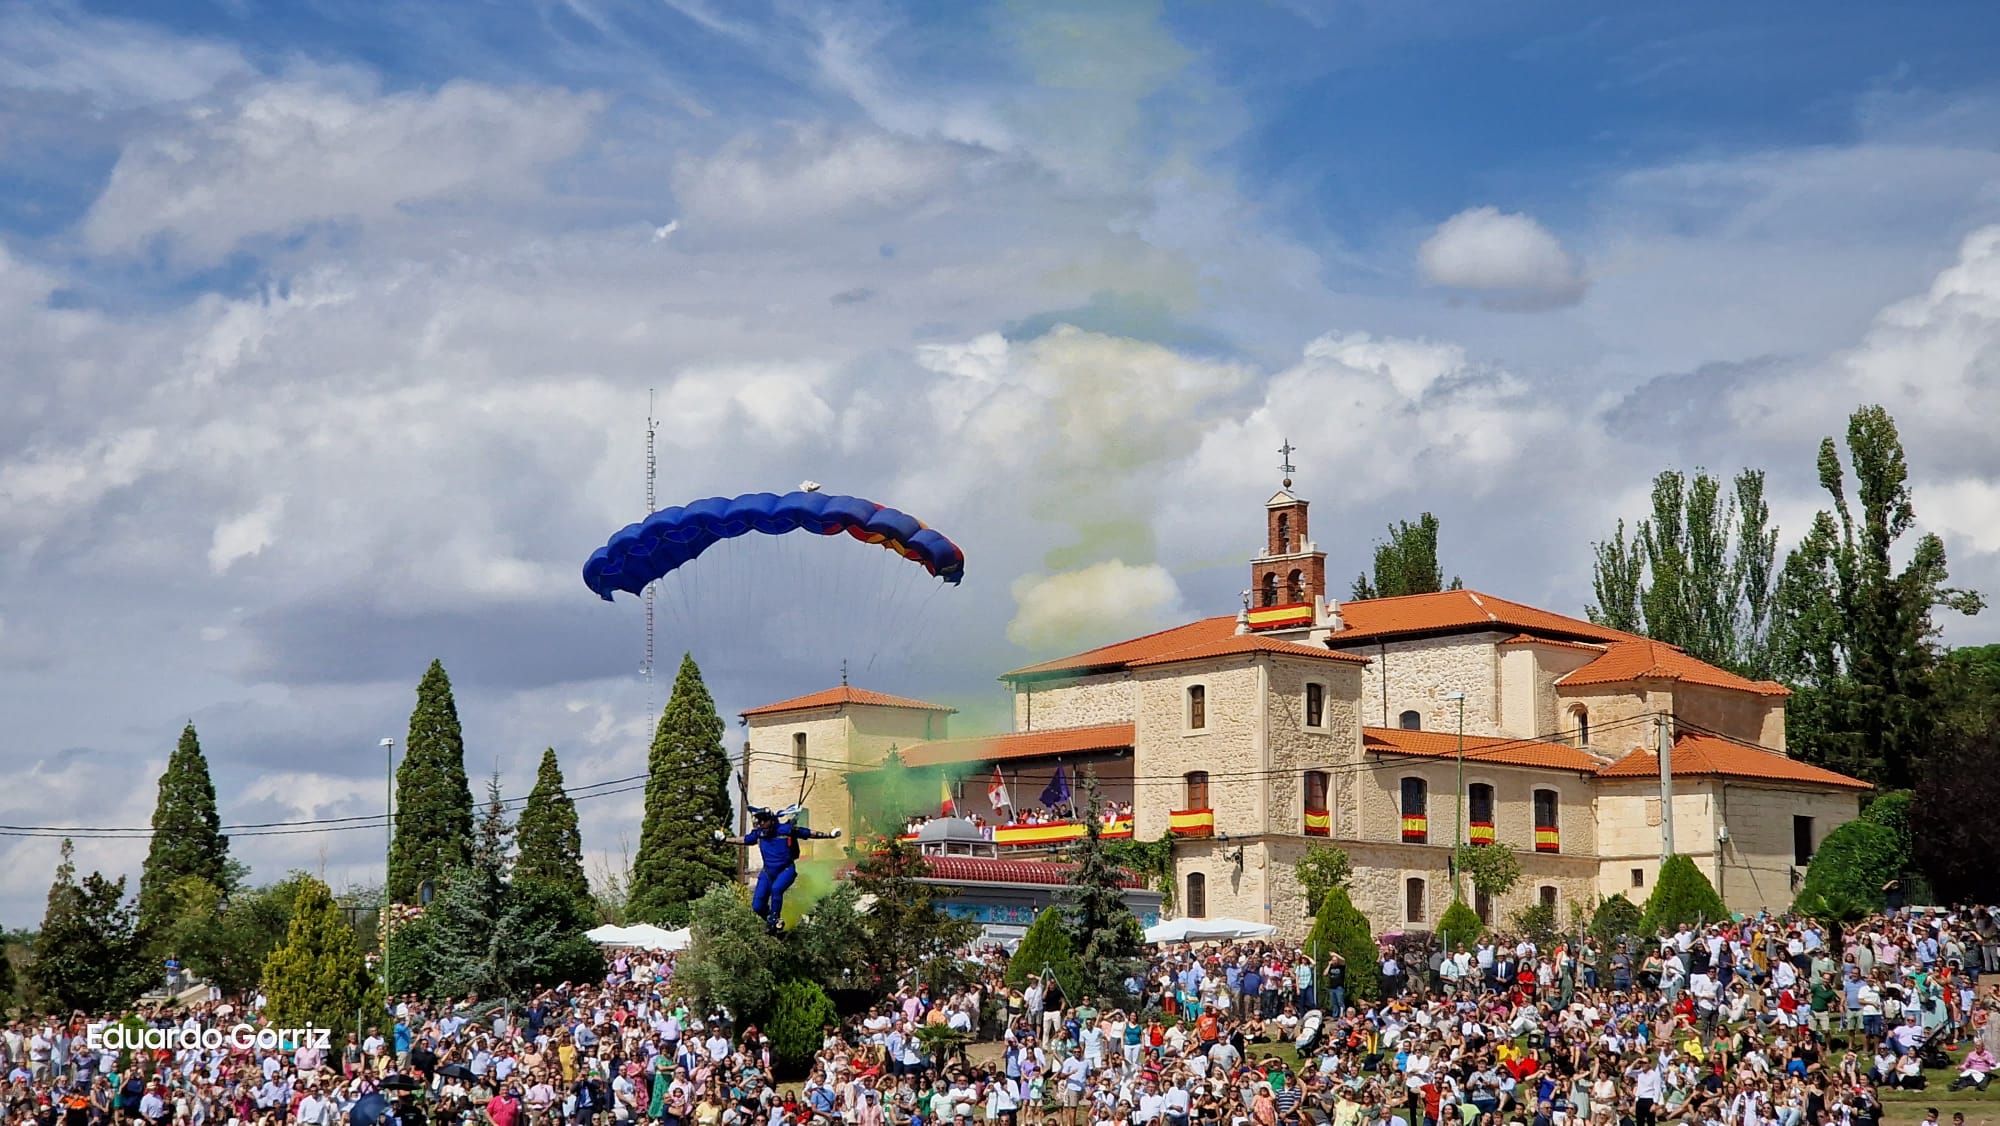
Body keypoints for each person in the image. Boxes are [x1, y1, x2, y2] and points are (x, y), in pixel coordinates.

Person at [722, 807, 843, 932]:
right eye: (760, 820)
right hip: (768, 872)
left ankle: (775, 919)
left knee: (776, 889)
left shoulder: (785, 830)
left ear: (771, 820)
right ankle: (772, 921)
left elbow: (807, 833)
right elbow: (743, 840)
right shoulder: (759, 833)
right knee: (757, 906)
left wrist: (829, 835)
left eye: (764, 820)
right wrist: (725, 840)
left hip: (786, 870)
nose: (762, 823)